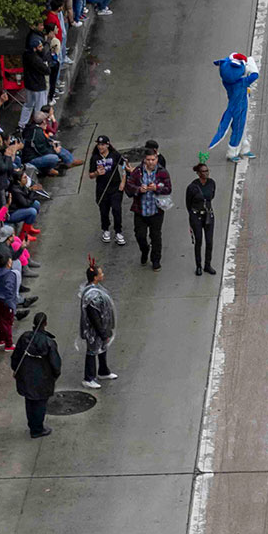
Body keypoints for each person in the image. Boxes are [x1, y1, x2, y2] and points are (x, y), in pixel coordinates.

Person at [10, 311, 61, 439]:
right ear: (45, 323)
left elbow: (15, 357)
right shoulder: (49, 343)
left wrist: (17, 370)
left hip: (26, 377)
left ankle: (33, 426)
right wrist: (55, 375)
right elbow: (55, 364)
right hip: (43, 378)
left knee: (30, 402)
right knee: (40, 404)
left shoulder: (24, 338)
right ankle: (38, 429)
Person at [126, 144, 172, 270]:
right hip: (140, 211)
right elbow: (129, 188)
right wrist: (139, 189)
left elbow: (168, 189)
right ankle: (145, 250)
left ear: (157, 159)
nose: (151, 162)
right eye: (148, 160)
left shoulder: (162, 172)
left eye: (153, 159)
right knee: (139, 235)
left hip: (156, 211)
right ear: (144, 160)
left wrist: (157, 188)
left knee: (156, 236)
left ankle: (156, 260)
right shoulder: (137, 172)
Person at [78, 257, 118, 391]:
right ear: (95, 277)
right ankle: (88, 378)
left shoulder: (95, 289)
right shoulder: (92, 297)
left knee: (102, 348)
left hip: (101, 327)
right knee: (92, 351)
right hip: (94, 330)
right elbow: (94, 318)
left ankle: (103, 371)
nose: (103, 275)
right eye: (100, 273)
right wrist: (102, 332)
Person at [90, 136, 126, 245]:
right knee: (104, 211)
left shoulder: (115, 155)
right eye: (99, 144)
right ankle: (105, 229)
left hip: (115, 188)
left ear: (108, 144)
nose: (100, 146)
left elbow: (125, 165)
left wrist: (123, 182)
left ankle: (118, 232)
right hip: (102, 189)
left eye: (103, 144)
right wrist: (97, 173)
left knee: (116, 210)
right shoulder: (95, 158)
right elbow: (90, 175)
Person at [186, 160, 217, 277]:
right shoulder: (192, 187)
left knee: (209, 241)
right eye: (203, 171)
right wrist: (192, 216)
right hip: (196, 216)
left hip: (208, 215)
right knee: (198, 241)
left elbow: (212, 196)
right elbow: (188, 203)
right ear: (198, 173)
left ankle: (207, 264)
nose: (206, 173)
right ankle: (198, 265)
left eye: (207, 171)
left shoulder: (212, 183)